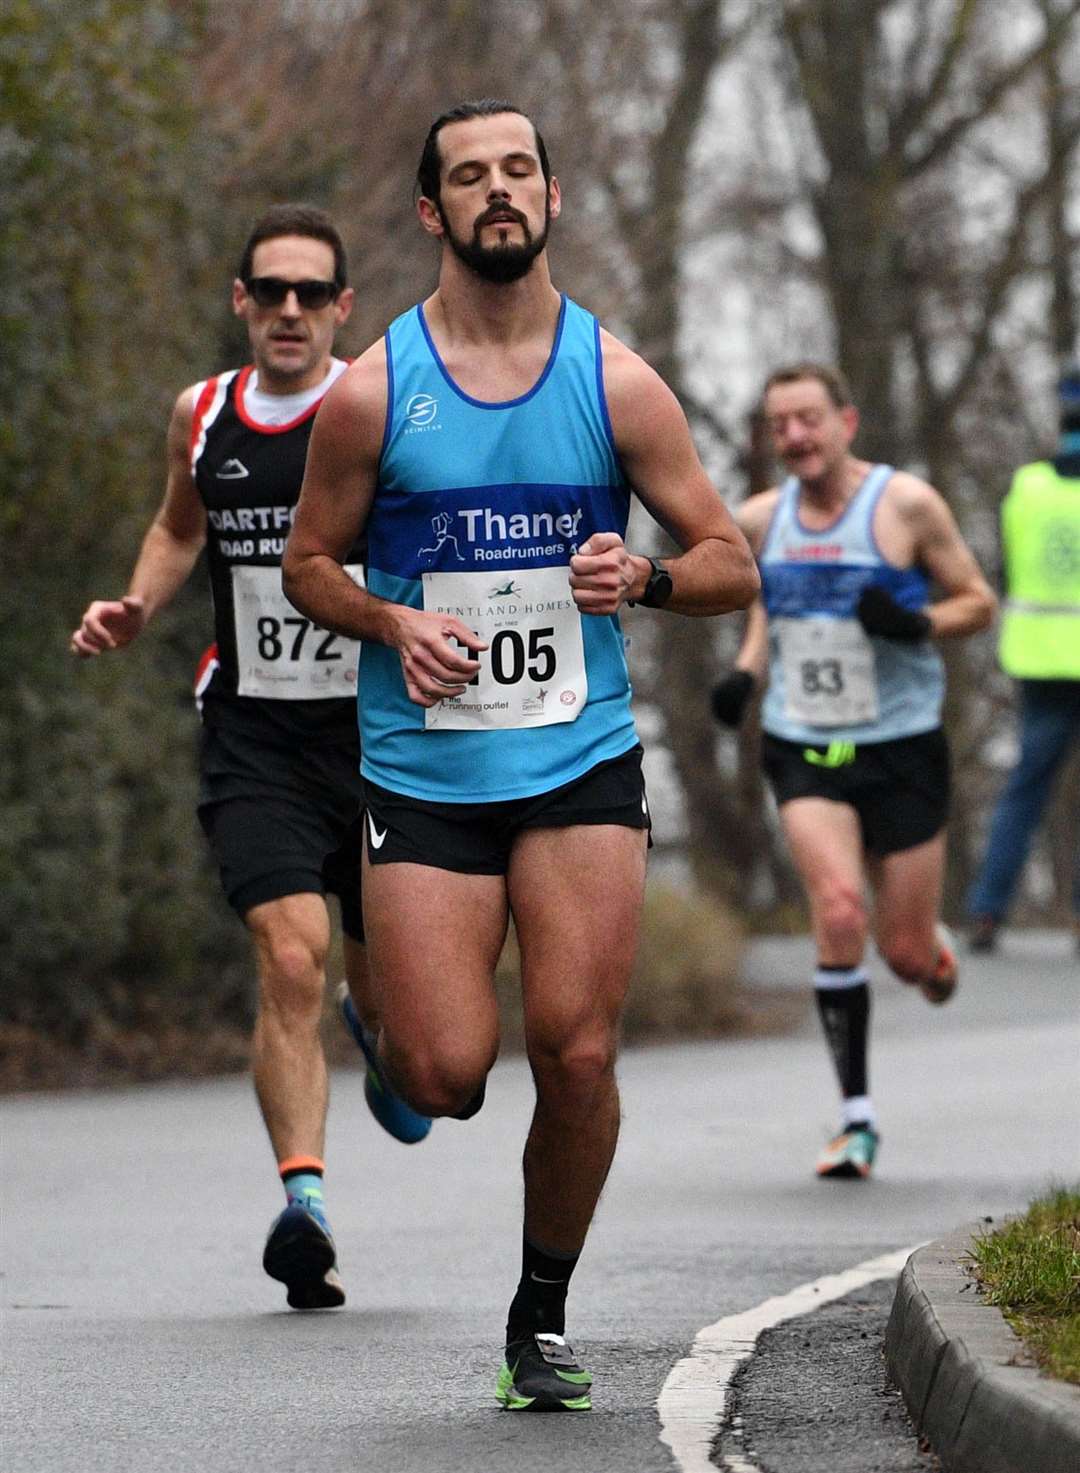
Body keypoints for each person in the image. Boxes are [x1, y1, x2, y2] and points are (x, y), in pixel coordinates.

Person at [282, 100, 759, 1410]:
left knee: (580, 1052)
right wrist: (390, 619)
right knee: (444, 1074)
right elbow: (306, 562)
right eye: (469, 177)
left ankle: (539, 1318)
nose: (499, 192)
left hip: (578, 761)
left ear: (550, 196)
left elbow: (734, 561)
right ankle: (377, 1011)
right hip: (425, 770)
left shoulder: (614, 380)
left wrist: (648, 576)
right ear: (433, 214)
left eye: (518, 170)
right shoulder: (376, 387)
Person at [70, 204, 430, 1314]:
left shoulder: (373, 408)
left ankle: (382, 1033)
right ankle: (306, 1208)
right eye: (268, 292)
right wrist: (140, 603)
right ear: (240, 301)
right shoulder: (206, 411)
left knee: (407, 1030)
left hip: (377, 738)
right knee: (288, 957)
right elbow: (182, 527)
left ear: (341, 307)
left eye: (309, 294)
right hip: (255, 733)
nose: (288, 311)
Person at [710, 362, 996, 1180]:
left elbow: (978, 600)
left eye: (807, 419)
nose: (793, 436)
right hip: (808, 744)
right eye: (779, 425)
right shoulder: (762, 521)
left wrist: (913, 623)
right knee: (838, 911)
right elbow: (771, 601)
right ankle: (856, 1121)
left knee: (903, 956)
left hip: (902, 744)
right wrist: (746, 671)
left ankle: (928, 951)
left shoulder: (906, 506)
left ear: (847, 420)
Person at [965, 364, 1080, 953]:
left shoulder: (1028, 488)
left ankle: (987, 911)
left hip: (1038, 659)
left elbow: (1010, 570)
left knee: (1026, 789)